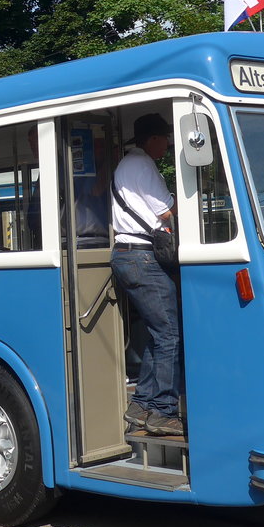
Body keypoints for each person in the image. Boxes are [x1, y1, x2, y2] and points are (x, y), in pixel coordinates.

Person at [110, 113, 183, 437]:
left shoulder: (126, 164)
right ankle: (163, 411)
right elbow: (166, 210)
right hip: (143, 257)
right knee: (169, 334)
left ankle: (142, 404)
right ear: (153, 139)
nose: (168, 144)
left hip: (127, 256)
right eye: (165, 138)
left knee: (158, 333)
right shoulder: (143, 165)